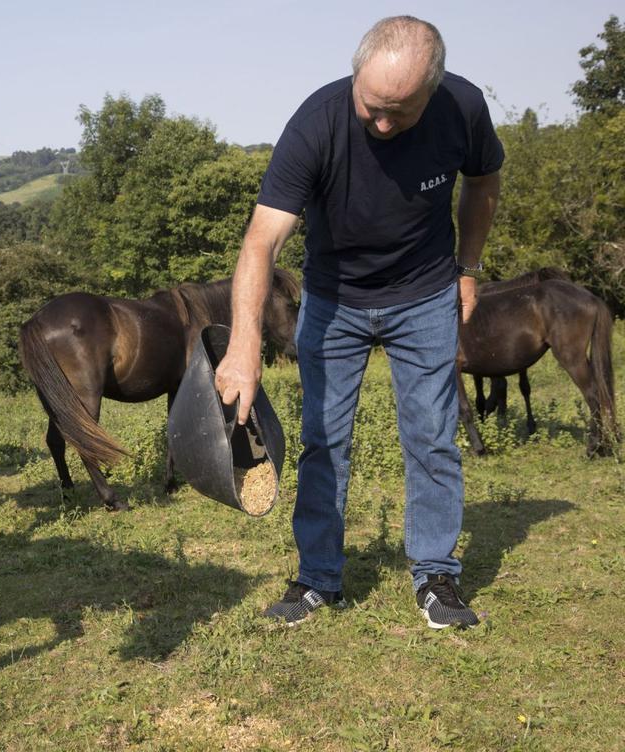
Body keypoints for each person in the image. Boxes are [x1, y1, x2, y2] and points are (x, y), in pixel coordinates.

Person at [214, 16, 502, 629]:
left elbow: (483, 183)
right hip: (333, 300)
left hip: (425, 295)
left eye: (401, 111)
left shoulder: (464, 109)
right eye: (372, 106)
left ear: (434, 88)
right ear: (355, 74)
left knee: (430, 437)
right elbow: (260, 243)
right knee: (322, 439)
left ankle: (436, 577)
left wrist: (468, 267)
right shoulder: (316, 123)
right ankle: (317, 578)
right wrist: (244, 344)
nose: (382, 124)